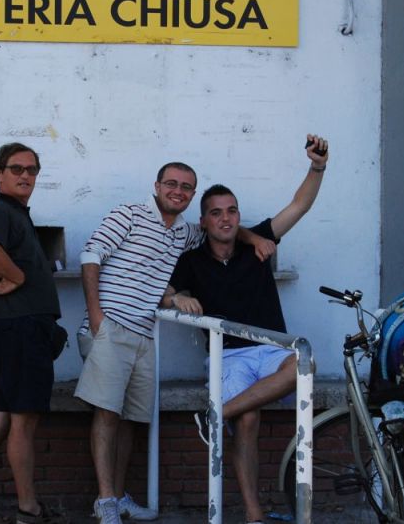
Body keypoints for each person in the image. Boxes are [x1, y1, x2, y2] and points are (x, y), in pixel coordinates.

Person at [74, 163, 274, 524]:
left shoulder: (184, 232)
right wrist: (97, 316)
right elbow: (90, 256)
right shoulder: (129, 214)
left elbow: (222, 227)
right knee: (106, 413)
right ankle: (105, 502)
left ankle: (117, 496)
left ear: (192, 195)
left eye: (186, 187)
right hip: (111, 328)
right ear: (157, 185)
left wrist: (254, 239)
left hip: (144, 333)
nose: (178, 191)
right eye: (172, 184)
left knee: (130, 419)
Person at [162, 134, 329, 524]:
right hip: (228, 356)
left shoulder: (257, 244)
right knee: (248, 420)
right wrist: (177, 298)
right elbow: (163, 292)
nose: (226, 218)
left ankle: (215, 415)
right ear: (204, 221)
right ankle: (255, 516)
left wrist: (317, 166)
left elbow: (299, 206)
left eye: (232, 211)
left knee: (304, 363)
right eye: (216, 213)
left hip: (271, 351)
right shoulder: (191, 260)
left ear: (238, 217)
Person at [0, 142, 67, 524]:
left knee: (3, 417)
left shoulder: (14, 213)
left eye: (32, 169)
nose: (25, 175)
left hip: (13, 329)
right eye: (16, 168)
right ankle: (28, 509)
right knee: (23, 420)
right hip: (21, 330)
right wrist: (19, 277)